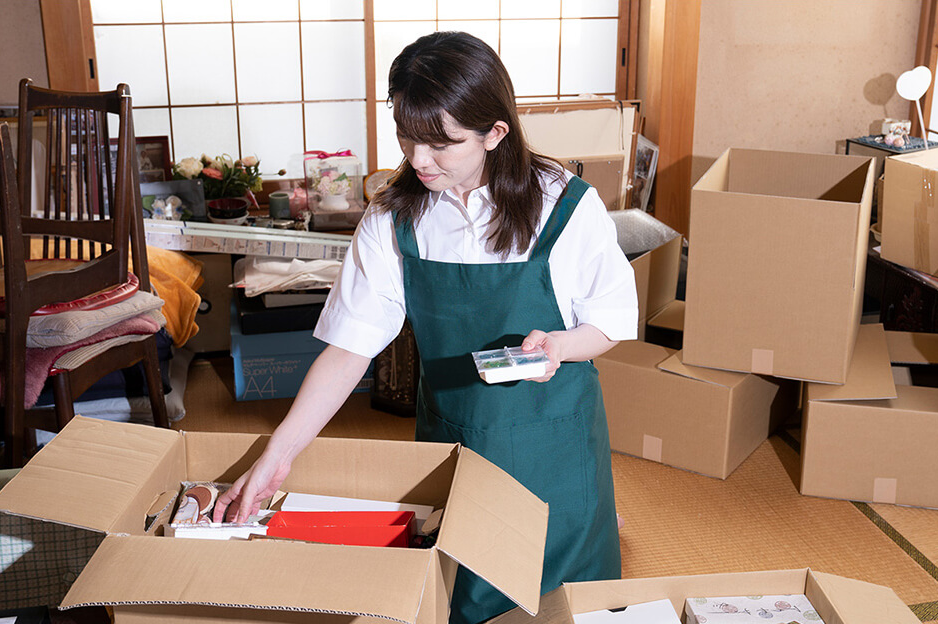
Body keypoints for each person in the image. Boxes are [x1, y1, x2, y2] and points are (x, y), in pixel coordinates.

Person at [213, 31, 638, 623]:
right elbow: (349, 349)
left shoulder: (564, 206)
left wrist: (560, 345)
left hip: (556, 442)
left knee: (565, 602)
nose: (418, 161)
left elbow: (611, 322)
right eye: (407, 138)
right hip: (454, 437)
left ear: (496, 133)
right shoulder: (394, 217)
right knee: (462, 595)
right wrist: (277, 455)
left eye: (442, 144)